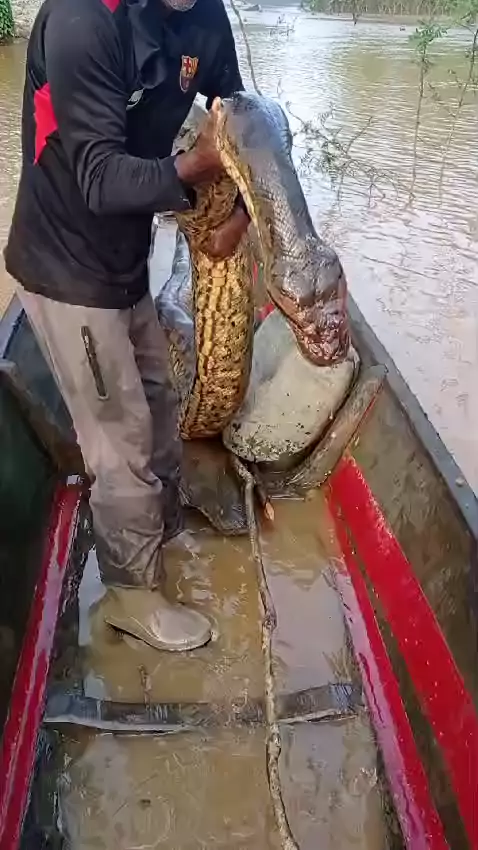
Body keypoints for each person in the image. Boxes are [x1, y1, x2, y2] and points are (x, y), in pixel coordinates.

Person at [4, 0, 250, 651]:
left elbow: (245, 118)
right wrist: (195, 166)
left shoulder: (205, 16)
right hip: (65, 265)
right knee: (121, 435)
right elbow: (99, 179)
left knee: (160, 403)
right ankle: (131, 591)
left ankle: (158, 531)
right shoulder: (83, 19)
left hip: (124, 259)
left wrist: (245, 214)